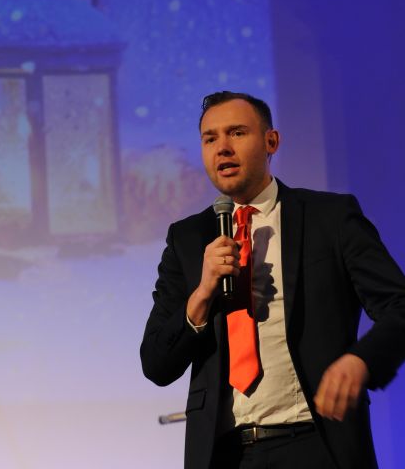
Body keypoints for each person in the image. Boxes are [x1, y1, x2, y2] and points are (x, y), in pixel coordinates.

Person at [140, 91, 405, 469]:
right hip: (226, 454)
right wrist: (202, 294)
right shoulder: (187, 239)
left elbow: (399, 306)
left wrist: (361, 360)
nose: (222, 148)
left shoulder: (330, 217)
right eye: (210, 138)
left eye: (237, 133)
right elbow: (156, 364)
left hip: (316, 442)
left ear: (271, 142)